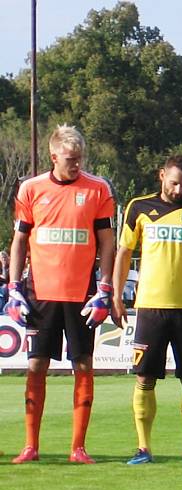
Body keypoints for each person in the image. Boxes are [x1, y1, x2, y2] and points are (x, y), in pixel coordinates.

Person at [6, 124, 115, 464]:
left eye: (80, 158)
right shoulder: (31, 189)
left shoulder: (98, 189)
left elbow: (108, 242)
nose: (76, 164)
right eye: (70, 159)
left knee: (83, 363)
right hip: (41, 293)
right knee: (37, 364)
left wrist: (105, 287)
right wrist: (13, 287)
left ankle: (78, 447)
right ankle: (30, 446)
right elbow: (20, 241)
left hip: (81, 293)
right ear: (53, 156)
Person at [111, 155, 182, 466]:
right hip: (149, 307)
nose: (179, 189)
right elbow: (124, 253)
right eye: (174, 182)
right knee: (144, 378)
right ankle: (143, 448)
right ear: (161, 175)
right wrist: (116, 296)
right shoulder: (138, 207)